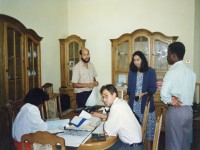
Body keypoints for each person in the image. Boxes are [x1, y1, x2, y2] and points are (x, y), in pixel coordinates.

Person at [160, 42, 196, 150]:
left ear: (173, 55)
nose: (167, 56)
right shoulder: (191, 73)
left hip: (176, 111)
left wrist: (170, 100)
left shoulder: (172, 72)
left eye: (168, 54)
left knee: (173, 144)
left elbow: (163, 94)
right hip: (189, 111)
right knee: (185, 143)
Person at [92, 84, 143, 150]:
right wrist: (100, 115)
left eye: (106, 96)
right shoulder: (120, 102)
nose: (104, 99)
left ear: (114, 95)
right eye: (103, 97)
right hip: (133, 142)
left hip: (132, 147)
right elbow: (114, 118)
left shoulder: (116, 107)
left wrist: (105, 121)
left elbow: (107, 131)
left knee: (101, 148)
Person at [127, 51, 157, 149]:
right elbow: (129, 89)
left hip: (146, 105)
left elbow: (153, 88)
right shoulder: (132, 72)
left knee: (148, 131)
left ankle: (148, 148)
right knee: (136, 131)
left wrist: (143, 94)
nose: (136, 62)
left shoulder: (150, 71)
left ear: (142, 60)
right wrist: (128, 97)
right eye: (134, 60)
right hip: (134, 105)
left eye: (138, 60)